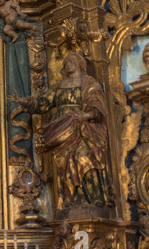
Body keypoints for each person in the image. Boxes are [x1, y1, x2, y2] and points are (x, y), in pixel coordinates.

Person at [9, 52, 110, 209]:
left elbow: (98, 106)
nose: (67, 64)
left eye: (70, 61)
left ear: (80, 63)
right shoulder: (59, 86)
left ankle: (94, 199)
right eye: (65, 63)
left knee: (84, 158)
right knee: (64, 166)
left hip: (81, 128)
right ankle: (71, 200)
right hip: (61, 130)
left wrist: (87, 114)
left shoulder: (89, 83)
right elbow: (42, 103)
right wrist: (23, 101)